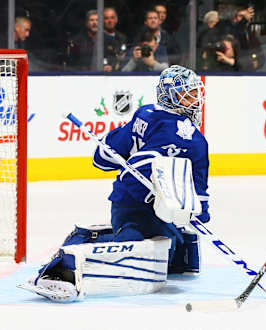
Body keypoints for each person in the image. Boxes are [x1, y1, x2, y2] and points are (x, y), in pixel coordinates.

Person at [19, 65, 211, 302]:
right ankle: (81, 242)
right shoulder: (155, 120)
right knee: (133, 244)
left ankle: (116, 235)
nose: (195, 99)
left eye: (195, 93)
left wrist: (197, 213)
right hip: (130, 205)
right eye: (188, 93)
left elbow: (103, 157)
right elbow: (119, 165)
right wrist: (152, 194)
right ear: (169, 95)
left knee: (173, 250)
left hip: (156, 211)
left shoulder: (178, 130)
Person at [103, 7, 128, 72]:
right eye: (106, 18)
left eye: (112, 18)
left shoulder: (122, 38)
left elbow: (123, 57)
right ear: (102, 20)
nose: (110, 21)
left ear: (116, 20)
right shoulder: (98, 38)